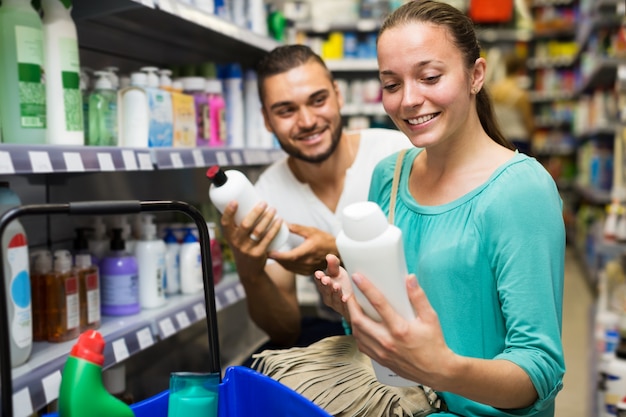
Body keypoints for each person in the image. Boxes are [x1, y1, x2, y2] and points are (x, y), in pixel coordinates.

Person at [314, 1, 565, 416]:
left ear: (475, 75)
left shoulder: (520, 191)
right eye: (391, 85)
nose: (409, 100)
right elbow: (391, 339)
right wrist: (353, 308)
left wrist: (442, 368)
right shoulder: (388, 177)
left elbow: (539, 372)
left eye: (430, 77)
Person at [217, 44, 411, 349]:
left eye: (317, 100)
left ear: (338, 95)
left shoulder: (399, 154)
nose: (307, 121)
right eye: (286, 110)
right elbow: (285, 331)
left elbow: (433, 269)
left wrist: (338, 253)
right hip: (340, 337)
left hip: (419, 326)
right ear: (267, 120)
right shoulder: (268, 194)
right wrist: (249, 270)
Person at [490, 52, 535, 155]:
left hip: (499, 139)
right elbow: (529, 124)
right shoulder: (521, 95)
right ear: (520, 70)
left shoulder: (494, 90)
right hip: (519, 141)